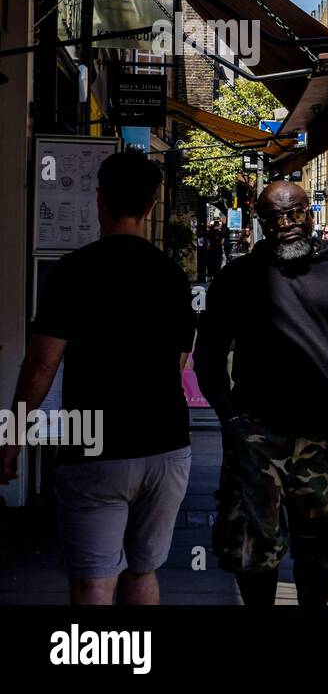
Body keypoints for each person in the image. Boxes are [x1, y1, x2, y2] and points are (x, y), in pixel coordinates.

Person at [194, 181, 328, 606]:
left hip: (327, 435)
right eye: (274, 217)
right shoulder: (238, 277)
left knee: (321, 551)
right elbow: (208, 357)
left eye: (294, 214)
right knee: (253, 552)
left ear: (310, 215)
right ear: (261, 222)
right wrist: (229, 418)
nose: (286, 224)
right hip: (256, 437)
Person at [1, 151, 195, 604]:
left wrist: (12, 438)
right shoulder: (172, 276)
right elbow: (178, 364)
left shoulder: (73, 272)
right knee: (143, 571)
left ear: (98, 200)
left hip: (92, 442)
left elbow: (40, 365)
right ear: (151, 206)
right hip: (165, 442)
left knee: (93, 581)